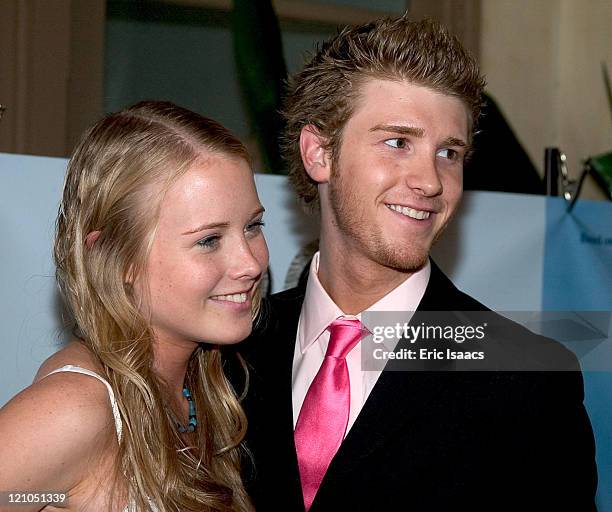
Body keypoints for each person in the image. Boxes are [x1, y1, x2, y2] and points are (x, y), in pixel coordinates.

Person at [236, 17, 598, 511]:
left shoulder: (530, 380)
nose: (431, 181)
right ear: (319, 153)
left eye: (449, 152)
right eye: (398, 142)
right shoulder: (228, 351)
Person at [0, 101, 268, 511]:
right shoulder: (74, 411)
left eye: (252, 226)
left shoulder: (201, 382)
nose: (250, 263)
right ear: (116, 255)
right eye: (209, 240)